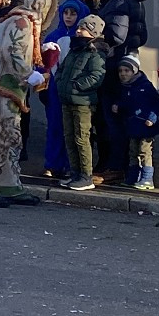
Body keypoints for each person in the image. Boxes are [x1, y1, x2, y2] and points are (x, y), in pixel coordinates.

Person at [0, 0, 56, 207]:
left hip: (4, 87)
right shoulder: (22, 22)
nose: (40, 9)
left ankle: (8, 184)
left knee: (9, 136)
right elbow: (12, 51)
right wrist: (30, 74)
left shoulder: (21, 21)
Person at [95, 0, 148, 184]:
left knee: (111, 118)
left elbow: (116, 35)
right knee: (116, 117)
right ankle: (117, 165)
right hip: (122, 64)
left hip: (113, 65)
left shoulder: (118, 0)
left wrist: (96, 37)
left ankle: (115, 167)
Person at [38, 0, 91, 178]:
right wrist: (42, 86)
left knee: (73, 129)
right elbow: (43, 62)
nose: (69, 17)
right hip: (54, 87)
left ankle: (72, 165)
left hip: (74, 88)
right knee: (54, 126)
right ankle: (52, 164)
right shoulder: (54, 36)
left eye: (73, 13)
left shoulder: (81, 37)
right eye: (66, 13)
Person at [56, 15, 107, 192]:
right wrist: (60, 81)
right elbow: (62, 69)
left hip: (83, 102)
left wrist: (76, 86)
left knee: (81, 138)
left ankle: (86, 175)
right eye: (79, 27)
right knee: (69, 137)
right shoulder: (74, 48)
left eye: (83, 28)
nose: (78, 31)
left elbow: (96, 76)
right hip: (67, 100)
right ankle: (75, 172)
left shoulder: (95, 53)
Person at [112, 54, 159, 189]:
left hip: (145, 125)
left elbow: (157, 102)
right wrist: (118, 105)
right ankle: (133, 176)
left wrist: (152, 117)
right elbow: (127, 103)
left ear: (134, 71)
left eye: (126, 71)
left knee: (145, 151)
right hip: (132, 126)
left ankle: (147, 178)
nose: (123, 74)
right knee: (133, 151)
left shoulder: (145, 86)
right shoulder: (125, 88)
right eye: (121, 71)